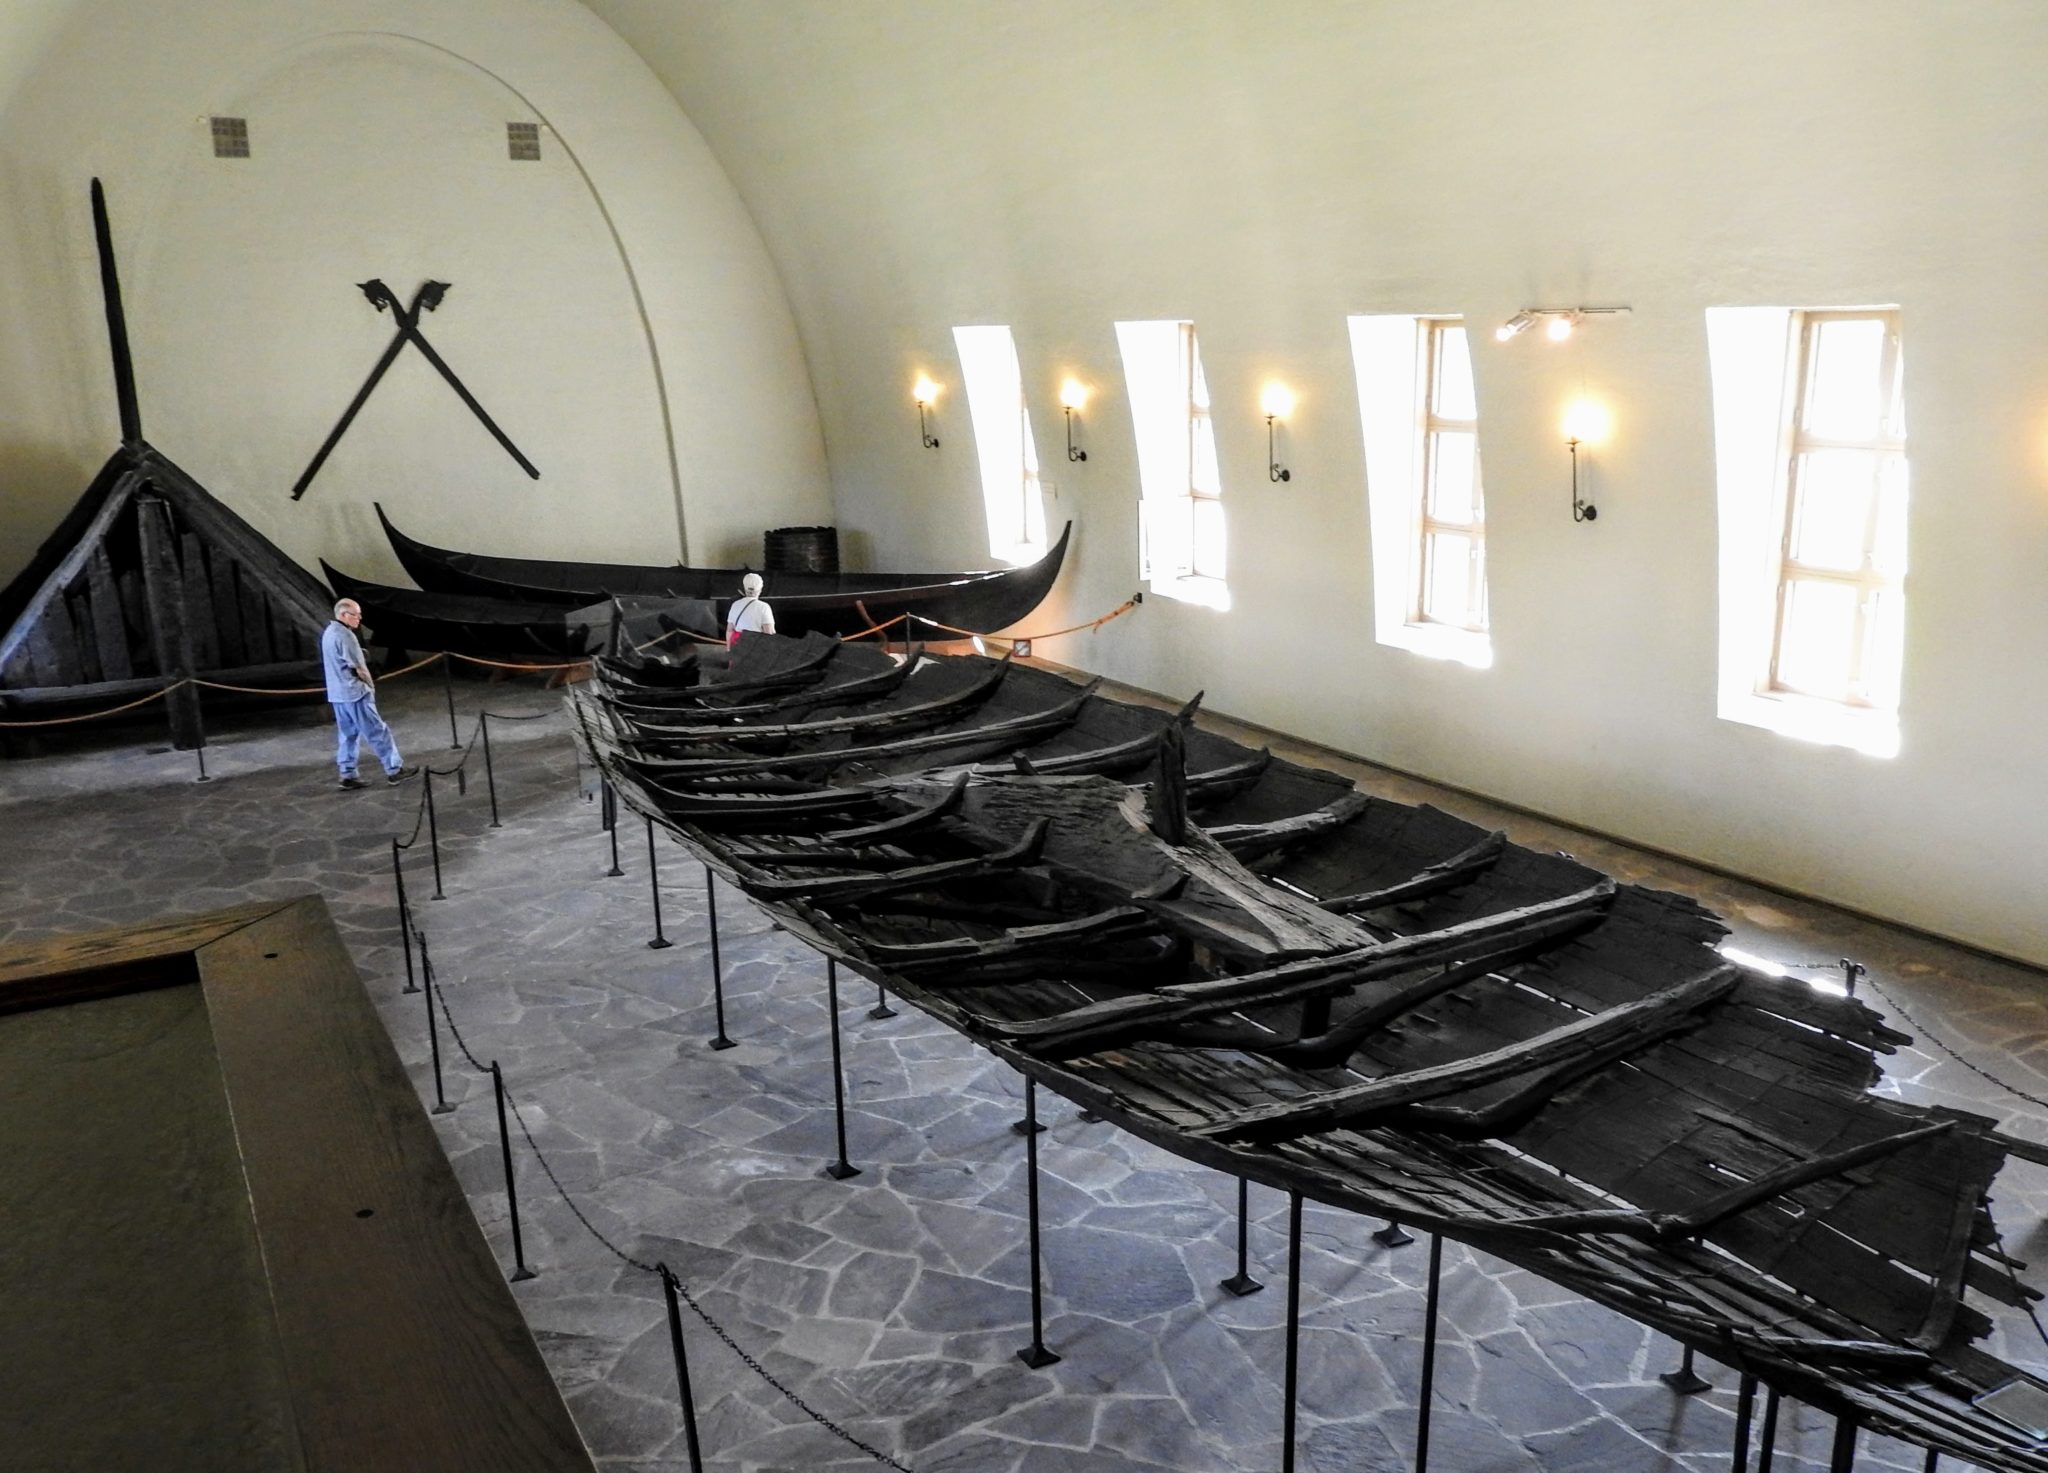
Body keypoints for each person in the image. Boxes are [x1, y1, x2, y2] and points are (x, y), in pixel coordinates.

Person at [321, 598, 411, 790]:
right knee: (378, 731)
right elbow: (359, 668)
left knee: (347, 735)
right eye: (356, 614)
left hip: (338, 695)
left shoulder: (328, 633)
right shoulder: (346, 636)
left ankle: (347, 774)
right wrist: (370, 686)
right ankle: (394, 770)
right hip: (355, 693)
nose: (359, 618)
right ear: (344, 615)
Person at [724, 571, 776, 646]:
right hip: (755, 647)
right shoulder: (764, 607)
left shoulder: (735, 605)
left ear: (744, 587)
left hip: (738, 646)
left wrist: (728, 648)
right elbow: (769, 632)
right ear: (760, 589)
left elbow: (729, 630)